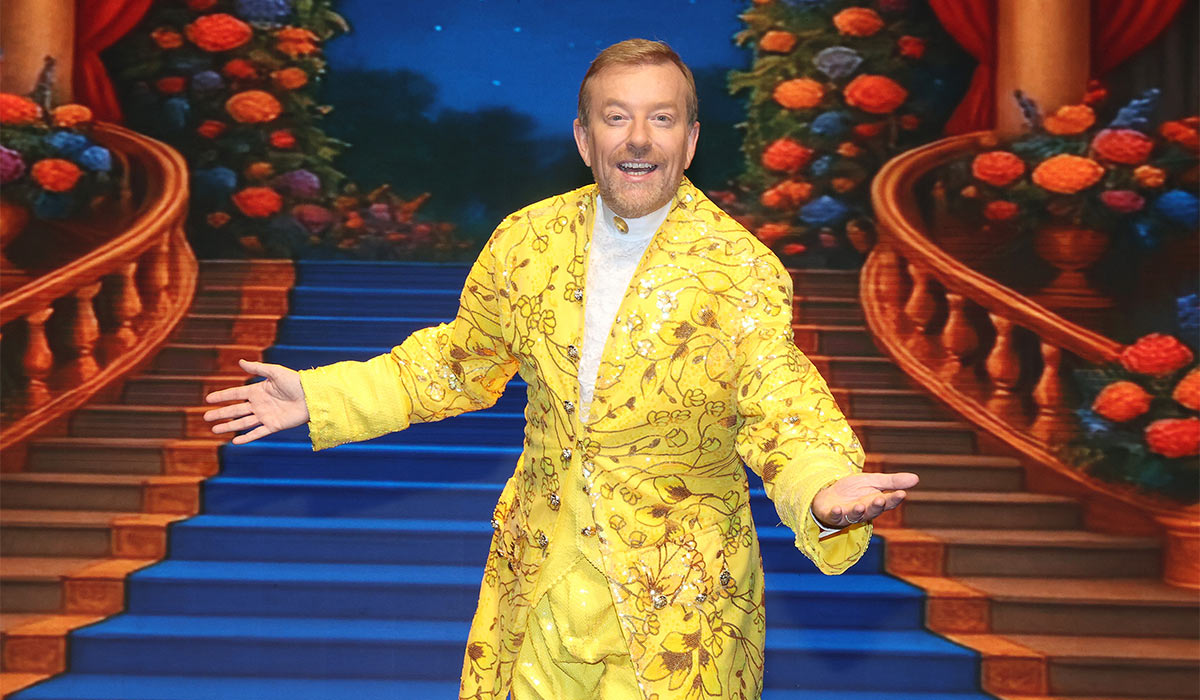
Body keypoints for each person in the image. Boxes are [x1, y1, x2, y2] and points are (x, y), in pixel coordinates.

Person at [205, 38, 918, 700]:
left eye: (661, 118)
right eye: (617, 117)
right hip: (538, 573)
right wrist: (323, 395)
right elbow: (457, 363)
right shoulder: (526, 241)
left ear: (690, 141)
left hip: (681, 596)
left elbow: (780, 400)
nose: (638, 138)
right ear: (585, 138)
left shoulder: (741, 270)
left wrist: (823, 489)